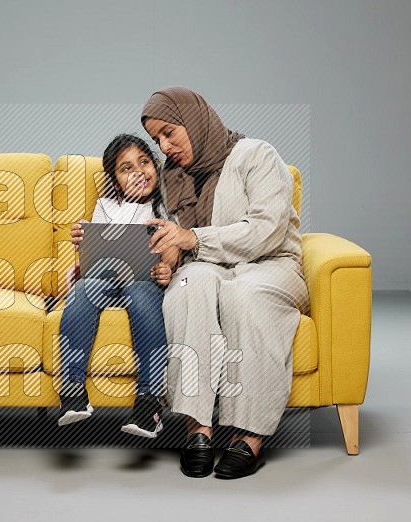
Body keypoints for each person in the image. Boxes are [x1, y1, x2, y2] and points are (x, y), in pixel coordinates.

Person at [141, 87, 310, 478]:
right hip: (209, 263)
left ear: (194, 120)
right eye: (157, 140)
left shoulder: (257, 155)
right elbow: (171, 238)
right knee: (188, 286)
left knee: (244, 296)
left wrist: (193, 239)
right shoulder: (172, 177)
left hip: (269, 264)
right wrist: (164, 256)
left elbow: (266, 231)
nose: (165, 147)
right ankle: (197, 428)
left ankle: (249, 435)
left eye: (170, 132)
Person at [57, 134, 180, 438]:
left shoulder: (164, 205)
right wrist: (82, 243)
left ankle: (148, 404)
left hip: (143, 281)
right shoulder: (107, 207)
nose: (139, 172)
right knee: (84, 290)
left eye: (144, 162)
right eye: (126, 169)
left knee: (140, 294)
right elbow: (96, 254)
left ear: (156, 165)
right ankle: (72, 392)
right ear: (115, 181)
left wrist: (167, 269)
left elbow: (173, 250)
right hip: (106, 279)